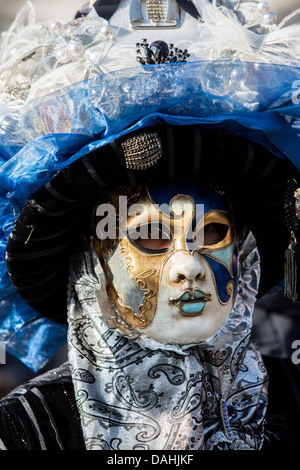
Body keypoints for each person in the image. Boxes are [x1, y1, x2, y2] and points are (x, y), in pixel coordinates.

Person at [0, 0, 300, 451]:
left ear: (244, 255)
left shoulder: (295, 396)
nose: (190, 267)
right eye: (151, 236)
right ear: (91, 267)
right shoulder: (28, 426)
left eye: (212, 234)